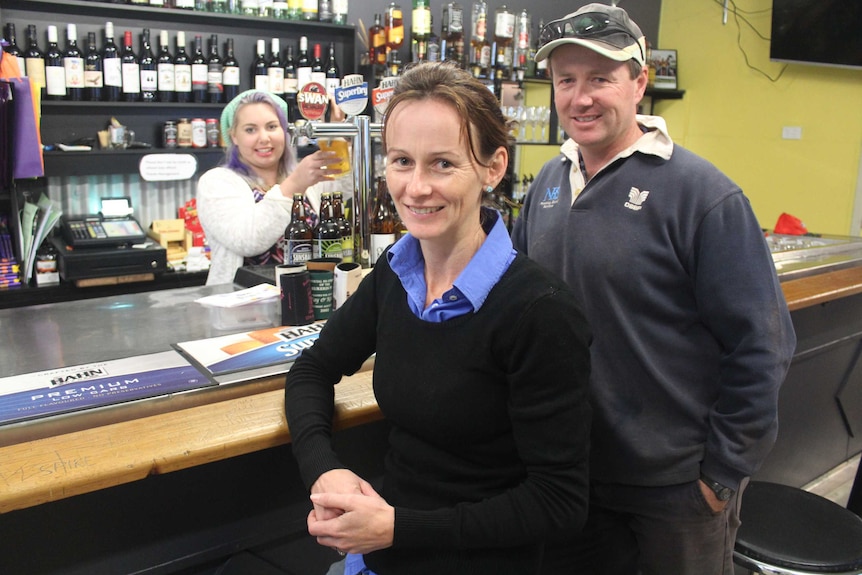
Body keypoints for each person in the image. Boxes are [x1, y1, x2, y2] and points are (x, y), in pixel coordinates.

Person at [510, 5, 797, 575]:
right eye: (566, 79)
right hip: (571, 473)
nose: (581, 97)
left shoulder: (703, 195)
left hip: (675, 488)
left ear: (639, 82)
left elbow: (763, 346)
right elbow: (521, 308)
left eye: (601, 78)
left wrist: (720, 474)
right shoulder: (546, 184)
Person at [284, 61, 592, 575]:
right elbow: (313, 368)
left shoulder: (539, 311)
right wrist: (324, 469)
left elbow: (559, 502)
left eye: (443, 164)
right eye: (402, 161)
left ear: (494, 168)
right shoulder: (395, 273)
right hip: (382, 558)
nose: (416, 187)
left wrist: (398, 528)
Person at [197, 89, 344, 285]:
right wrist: (293, 186)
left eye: (272, 126)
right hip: (242, 305)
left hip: (311, 297)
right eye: (250, 129)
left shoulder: (302, 176)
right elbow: (246, 241)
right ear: (234, 136)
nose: (264, 138)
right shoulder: (217, 182)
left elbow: (346, 186)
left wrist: (338, 135)